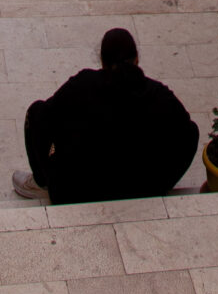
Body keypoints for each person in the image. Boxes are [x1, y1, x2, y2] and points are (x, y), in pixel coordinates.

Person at [13, 28, 198, 204]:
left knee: (36, 111)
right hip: (143, 189)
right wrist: (162, 180)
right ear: (137, 60)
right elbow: (189, 134)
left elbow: (44, 118)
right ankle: (157, 185)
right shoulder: (159, 95)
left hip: (74, 193)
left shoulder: (82, 85)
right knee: (189, 131)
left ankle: (41, 183)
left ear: (102, 61)